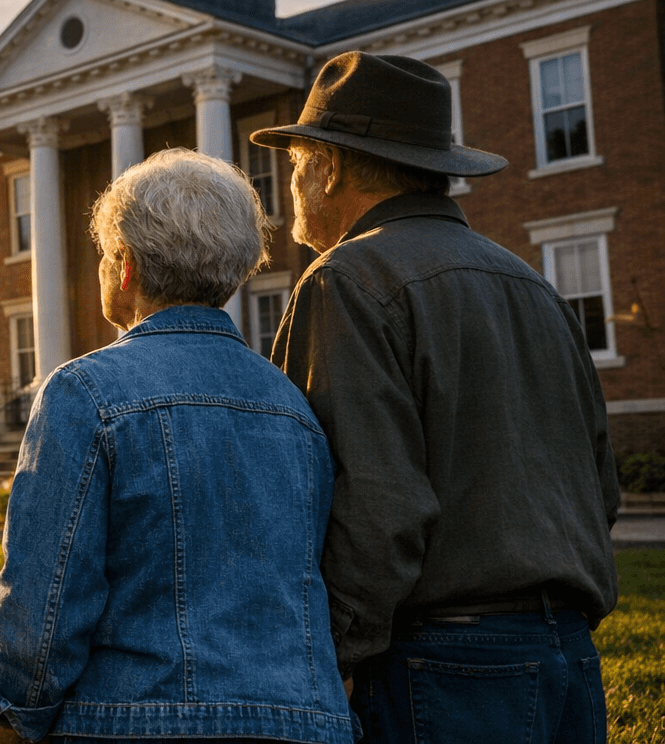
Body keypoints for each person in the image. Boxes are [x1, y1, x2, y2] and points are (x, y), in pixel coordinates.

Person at [251, 52, 619, 742]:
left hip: (442, 667)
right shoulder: (530, 283)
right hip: (567, 655)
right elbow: (599, 487)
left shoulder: (346, 280)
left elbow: (374, 501)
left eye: (297, 162)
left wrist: (340, 650)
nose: (292, 184)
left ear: (328, 167)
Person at [0, 148, 352, 744]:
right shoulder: (294, 405)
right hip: (304, 721)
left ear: (123, 266)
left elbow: (44, 607)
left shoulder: (84, 394)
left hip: (139, 718)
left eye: (103, 254)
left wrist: (15, 711)